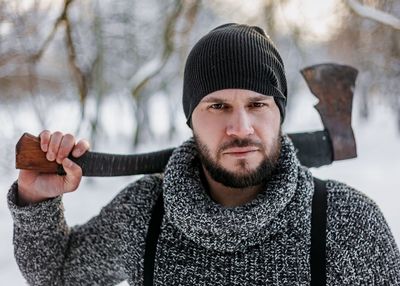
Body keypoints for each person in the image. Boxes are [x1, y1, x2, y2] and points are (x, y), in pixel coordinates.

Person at [8, 23, 400, 285]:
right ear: (190, 120)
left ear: (279, 114)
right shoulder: (145, 213)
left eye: (258, 104)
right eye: (217, 106)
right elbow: (56, 273)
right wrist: (36, 200)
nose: (241, 128)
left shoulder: (347, 222)